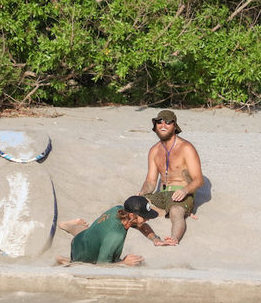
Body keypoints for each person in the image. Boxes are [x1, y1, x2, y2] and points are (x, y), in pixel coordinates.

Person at [140, 109, 203, 243]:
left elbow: (199, 180)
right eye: (159, 122)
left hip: (181, 193)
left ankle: (174, 238)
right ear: (155, 126)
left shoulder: (186, 148)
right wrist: (141, 193)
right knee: (134, 203)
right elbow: (151, 182)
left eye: (168, 122)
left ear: (175, 126)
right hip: (163, 194)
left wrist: (185, 190)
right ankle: (163, 212)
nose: (163, 125)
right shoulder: (154, 150)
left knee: (175, 211)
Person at [56, 196, 158, 266]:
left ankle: (71, 226)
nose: (147, 219)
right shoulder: (115, 235)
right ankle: (65, 260)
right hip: (82, 255)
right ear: (132, 215)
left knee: (94, 233)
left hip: (81, 238)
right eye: (144, 217)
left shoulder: (119, 210)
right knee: (88, 265)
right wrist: (124, 263)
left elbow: (141, 226)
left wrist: (155, 239)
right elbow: (102, 266)